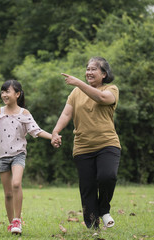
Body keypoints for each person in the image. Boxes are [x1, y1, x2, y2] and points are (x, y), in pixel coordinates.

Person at [0, 80, 52, 235]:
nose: (4, 95)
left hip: (18, 154)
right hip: (1, 156)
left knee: (16, 184)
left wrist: (52, 136)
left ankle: (17, 220)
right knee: (8, 193)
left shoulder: (24, 113)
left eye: (7, 91)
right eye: (2, 92)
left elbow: (36, 130)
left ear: (17, 94)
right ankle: (11, 225)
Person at [51, 57, 121, 229]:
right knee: (88, 187)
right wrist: (55, 131)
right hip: (83, 147)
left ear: (104, 74)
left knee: (107, 176)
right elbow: (67, 114)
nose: (89, 72)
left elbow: (102, 99)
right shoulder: (75, 93)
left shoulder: (111, 89)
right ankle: (92, 225)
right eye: (87, 69)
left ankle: (104, 209)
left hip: (107, 143)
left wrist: (78, 83)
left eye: (93, 69)